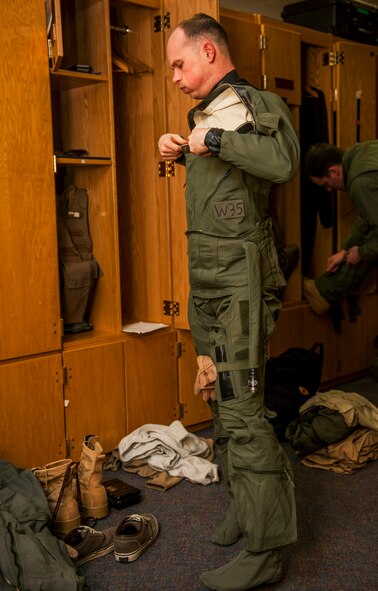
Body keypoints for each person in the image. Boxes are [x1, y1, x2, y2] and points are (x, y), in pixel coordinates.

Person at [158, 14, 299, 591]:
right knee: (221, 400)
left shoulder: (251, 104)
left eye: (179, 63)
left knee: (243, 413)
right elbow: (223, 192)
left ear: (209, 51)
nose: (174, 76)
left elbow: (283, 162)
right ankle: (245, 507)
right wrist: (181, 147)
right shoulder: (209, 115)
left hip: (239, 285)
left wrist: (209, 141)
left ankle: (268, 550)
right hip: (209, 285)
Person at [303, 141, 378, 315]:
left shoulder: (360, 182)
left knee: (369, 249)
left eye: (326, 184)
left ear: (333, 171)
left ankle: (325, 292)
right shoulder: (363, 152)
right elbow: (367, 216)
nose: (329, 190)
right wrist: (345, 251)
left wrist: (361, 253)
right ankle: (324, 291)